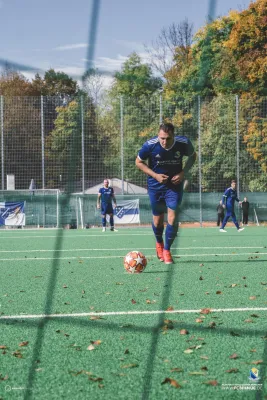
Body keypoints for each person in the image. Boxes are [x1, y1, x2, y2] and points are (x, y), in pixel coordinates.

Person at [136, 122, 196, 264]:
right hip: (155, 186)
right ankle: (159, 243)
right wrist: (155, 175)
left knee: (173, 218)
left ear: (173, 136)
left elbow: (193, 156)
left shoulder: (183, 143)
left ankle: (167, 250)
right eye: (161, 138)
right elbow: (138, 162)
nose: (164, 141)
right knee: (157, 221)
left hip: (174, 186)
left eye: (167, 138)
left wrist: (183, 173)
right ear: (158, 135)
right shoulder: (150, 145)